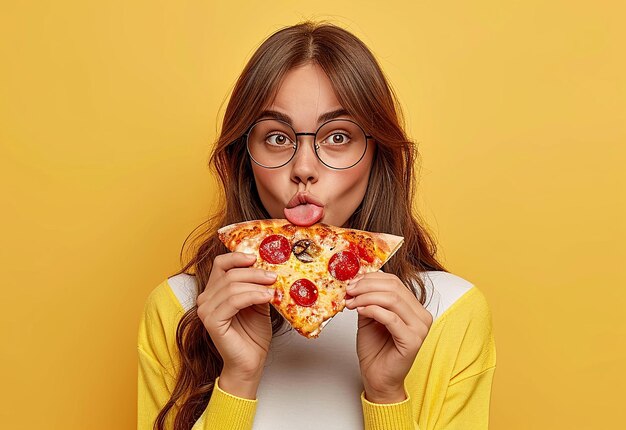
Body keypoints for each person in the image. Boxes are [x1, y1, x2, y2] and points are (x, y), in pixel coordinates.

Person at [137, 21, 496, 430]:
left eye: (338, 137)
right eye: (276, 137)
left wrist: (386, 395)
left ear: (377, 153)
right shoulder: (180, 308)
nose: (303, 168)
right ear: (243, 156)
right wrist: (237, 380)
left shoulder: (452, 312)